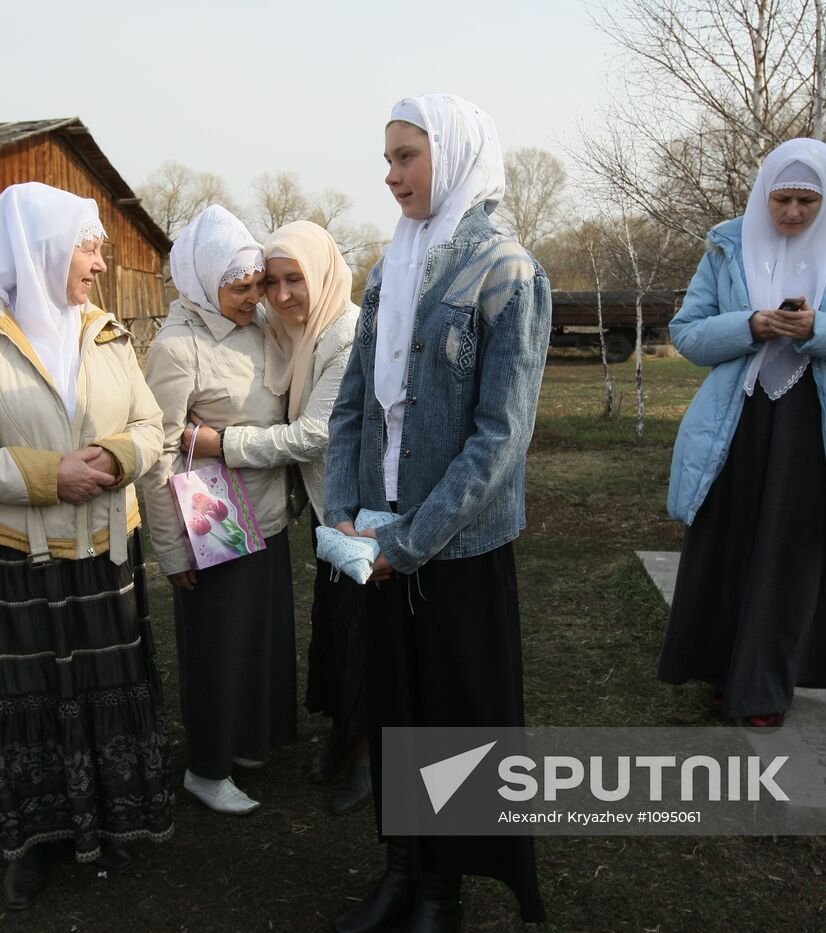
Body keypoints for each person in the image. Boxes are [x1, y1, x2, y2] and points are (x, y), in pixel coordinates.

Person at [323, 93, 551, 932]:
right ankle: (400, 867)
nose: (391, 175)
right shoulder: (390, 265)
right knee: (394, 709)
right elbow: (354, 402)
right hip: (377, 535)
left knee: (452, 723)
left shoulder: (507, 271)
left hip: (453, 549)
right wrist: (347, 512)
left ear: (451, 157)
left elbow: (501, 438)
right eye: (386, 158)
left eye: (406, 156)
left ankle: (442, 890)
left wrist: (411, 541)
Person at [0, 182, 174, 910]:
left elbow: (153, 424)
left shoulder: (106, 332)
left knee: (104, 691)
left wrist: (122, 454)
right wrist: (48, 474)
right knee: (26, 698)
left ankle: (107, 821)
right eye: (89, 245)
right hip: (14, 557)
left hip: (104, 551)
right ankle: (33, 842)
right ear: (41, 249)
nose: (100, 263)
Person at [658, 137, 826, 728]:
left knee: (789, 555)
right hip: (733, 427)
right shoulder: (725, 248)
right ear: (763, 193)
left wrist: (818, 327)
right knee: (728, 546)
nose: (792, 213)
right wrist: (751, 324)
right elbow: (687, 334)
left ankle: (765, 688)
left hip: (815, 430)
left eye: (806, 201)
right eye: (781, 199)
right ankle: (723, 672)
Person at [180, 220, 365, 813]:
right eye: (272, 281)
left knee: (364, 627)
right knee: (335, 623)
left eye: (295, 280)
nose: (280, 295)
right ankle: (341, 735)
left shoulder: (345, 334)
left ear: (325, 276)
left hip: (362, 505)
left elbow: (315, 434)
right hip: (314, 507)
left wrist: (221, 442)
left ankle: (367, 757)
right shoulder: (287, 332)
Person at [138, 205, 296, 816]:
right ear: (205, 280)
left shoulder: (261, 328)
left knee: (258, 638)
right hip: (213, 522)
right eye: (240, 287)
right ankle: (206, 767)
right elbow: (158, 456)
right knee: (216, 648)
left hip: (267, 510)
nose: (253, 297)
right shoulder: (178, 349)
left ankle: (248, 740)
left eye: (257, 284)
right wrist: (171, 550)